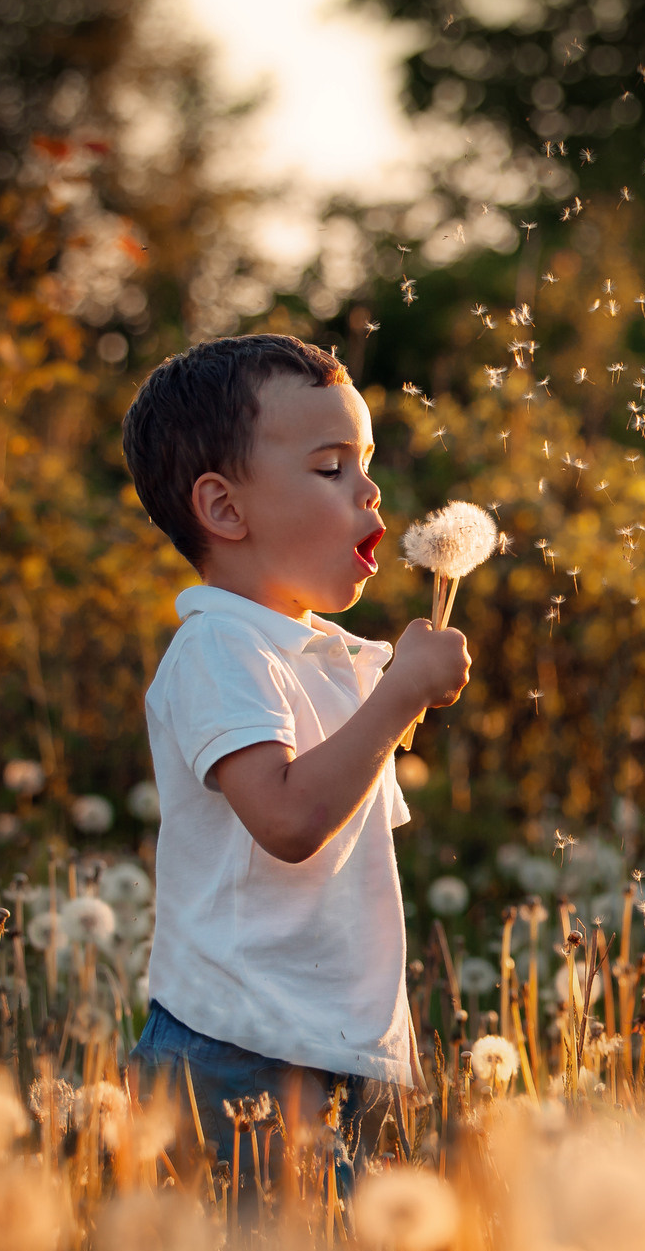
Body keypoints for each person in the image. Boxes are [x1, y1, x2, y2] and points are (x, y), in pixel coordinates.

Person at [119, 333, 470, 1194]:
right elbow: (286, 821)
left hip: (323, 1042)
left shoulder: (325, 655)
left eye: (366, 463)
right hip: (233, 1051)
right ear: (225, 509)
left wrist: (392, 696)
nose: (369, 489)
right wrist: (399, 700)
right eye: (329, 468)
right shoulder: (217, 650)